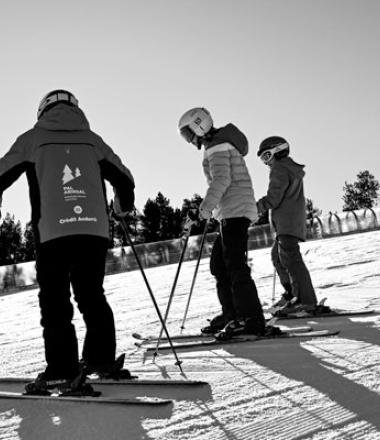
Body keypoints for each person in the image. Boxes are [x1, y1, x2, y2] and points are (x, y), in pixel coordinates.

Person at [0, 90, 135, 394]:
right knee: (91, 295)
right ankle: (100, 360)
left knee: (55, 302)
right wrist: (122, 208)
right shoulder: (93, 140)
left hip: (53, 232)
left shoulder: (31, 139)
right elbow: (124, 178)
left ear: (42, 110)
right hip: (94, 232)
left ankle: (62, 370)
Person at [178, 107, 267, 340]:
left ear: (200, 126)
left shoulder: (217, 146)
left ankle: (251, 319)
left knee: (235, 266)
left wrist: (204, 210)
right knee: (219, 264)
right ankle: (232, 313)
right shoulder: (217, 144)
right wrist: (210, 210)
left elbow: (222, 179)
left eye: (188, 134)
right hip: (229, 211)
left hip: (235, 211)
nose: (188, 140)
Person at [256, 136, 329, 316]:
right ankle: (292, 294)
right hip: (288, 222)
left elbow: (274, 198)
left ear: (277, 151)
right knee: (278, 257)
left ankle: (305, 300)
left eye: (266, 156)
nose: (266, 162)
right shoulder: (287, 168)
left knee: (290, 259)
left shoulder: (279, 169)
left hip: (287, 222)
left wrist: (253, 208)